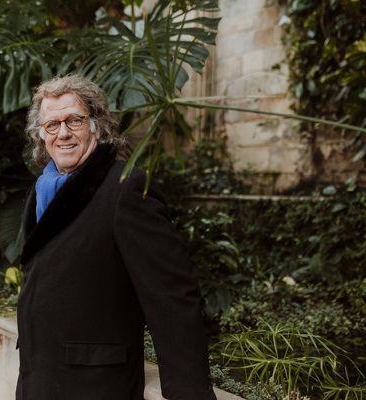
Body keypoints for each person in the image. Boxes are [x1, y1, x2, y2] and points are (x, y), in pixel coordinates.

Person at [16, 74, 217, 400]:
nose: (63, 132)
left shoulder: (125, 189)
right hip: (40, 377)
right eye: (52, 124)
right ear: (41, 134)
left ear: (97, 126)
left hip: (95, 386)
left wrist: (189, 393)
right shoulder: (42, 190)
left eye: (75, 120)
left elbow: (171, 295)